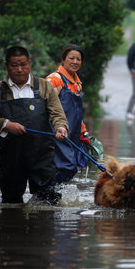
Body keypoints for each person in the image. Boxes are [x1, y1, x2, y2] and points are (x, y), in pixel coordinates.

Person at [0, 46, 69, 204]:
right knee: (10, 202)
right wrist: (6, 124)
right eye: (14, 65)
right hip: (11, 157)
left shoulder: (44, 86)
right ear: (6, 66)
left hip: (42, 155)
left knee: (47, 201)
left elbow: (57, 113)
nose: (19, 70)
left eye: (23, 65)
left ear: (29, 64)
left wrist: (60, 128)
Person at [46, 44, 90, 183]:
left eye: (78, 59)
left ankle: (49, 196)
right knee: (67, 167)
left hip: (72, 134)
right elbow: (43, 106)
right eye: (72, 58)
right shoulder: (54, 79)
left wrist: (83, 132)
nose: (75, 62)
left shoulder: (77, 84)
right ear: (63, 59)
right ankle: (46, 193)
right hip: (56, 134)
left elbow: (77, 113)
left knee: (72, 167)